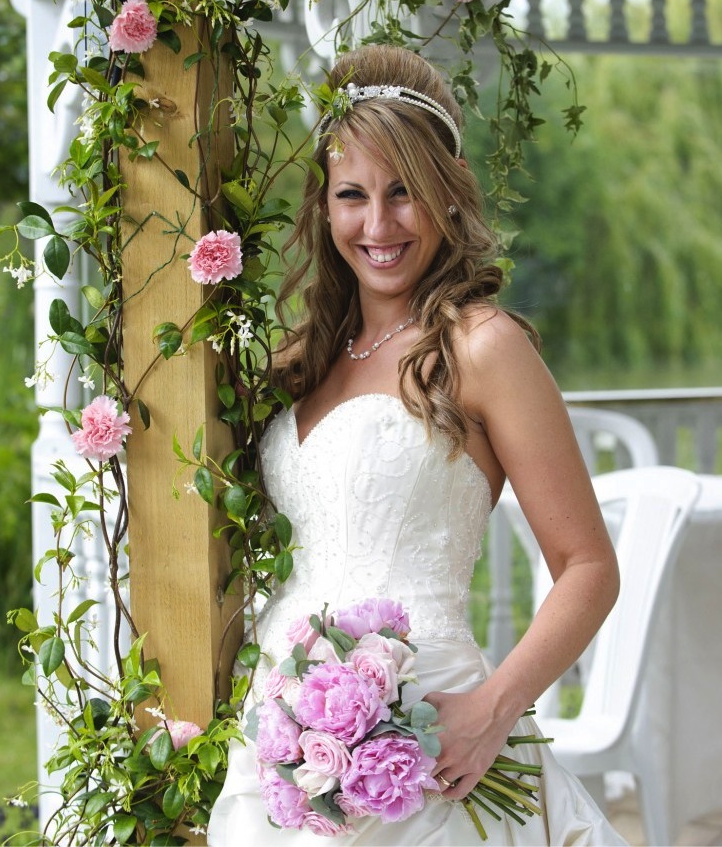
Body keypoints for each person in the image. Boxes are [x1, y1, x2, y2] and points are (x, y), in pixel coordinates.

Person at [208, 44, 627, 845]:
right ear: (324, 205)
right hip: (291, 743)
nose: (378, 224)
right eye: (353, 195)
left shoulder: (485, 346)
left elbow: (590, 567)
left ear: (446, 197)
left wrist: (490, 711)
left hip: (435, 745)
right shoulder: (310, 358)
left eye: (405, 194)